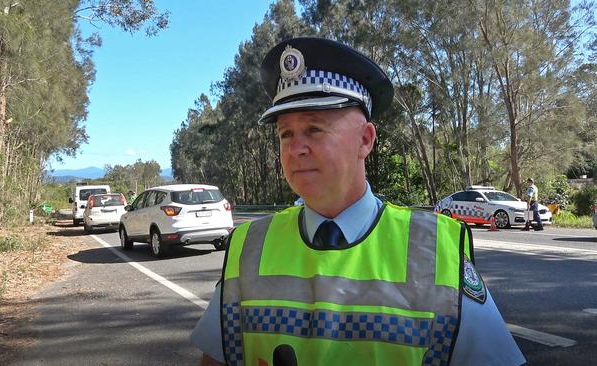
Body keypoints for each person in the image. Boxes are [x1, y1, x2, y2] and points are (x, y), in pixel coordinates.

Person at [191, 37, 525, 366]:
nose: (295, 149)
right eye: (286, 134)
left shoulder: (435, 248)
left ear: (365, 140)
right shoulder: (248, 247)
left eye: (314, 129)